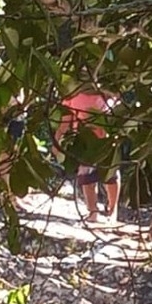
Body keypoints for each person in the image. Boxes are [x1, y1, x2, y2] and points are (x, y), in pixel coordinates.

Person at [54, 88, 120, 224]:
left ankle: (113, 211)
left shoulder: (107, 93)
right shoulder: (71, 96)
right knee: (86, 177)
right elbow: (65, 122)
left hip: (106, 143)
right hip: (84, 142)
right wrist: (56, 142)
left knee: (111, 176)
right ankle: (93, 212)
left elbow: (117, 117)